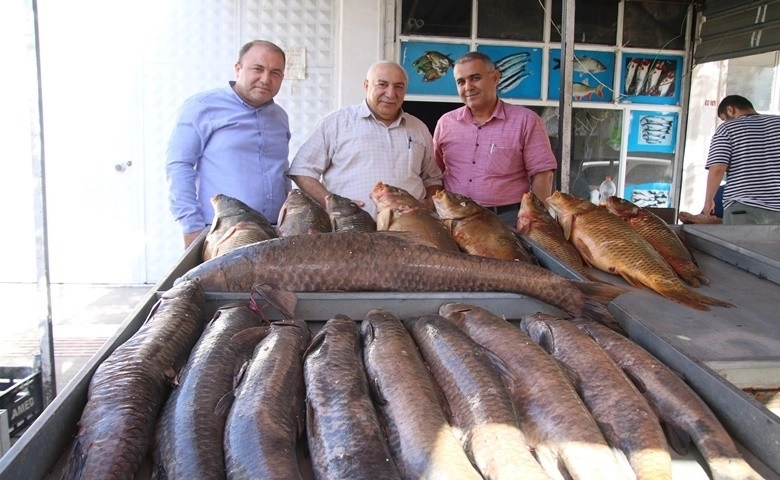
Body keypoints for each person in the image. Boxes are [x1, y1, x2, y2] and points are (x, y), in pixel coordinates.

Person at [166, 40, 291, 248]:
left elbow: (281, 171)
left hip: (274, 233)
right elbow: (179, 166)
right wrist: (191, 227)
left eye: (275, 73)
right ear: (238, 69)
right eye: (257, 69)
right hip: (225, 234)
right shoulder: (202, 107)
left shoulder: (280, 117)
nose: (265, 79)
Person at [288, 60, 442, 219]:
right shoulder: (336, 123)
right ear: (366, 85)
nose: (390, 93)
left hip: (410, 230)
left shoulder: (419, 128)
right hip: (351, 229)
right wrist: (330, 202)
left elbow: (432, 179)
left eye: (398, 86)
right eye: (382, 84)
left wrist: (428, 204)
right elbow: (302, 170)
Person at [433, 51, 557, 227]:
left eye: (475, 78)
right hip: (455, 219)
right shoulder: (446, 123)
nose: (468, 87)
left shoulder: (525, 121)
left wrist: (535, 222)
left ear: (495, 77)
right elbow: (435, 173)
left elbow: (543, 175)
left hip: (506, 221)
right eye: (461, 82)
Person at [701, 95, 780, 225]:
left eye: (724, 118)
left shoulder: (727, 128)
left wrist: (709, 200)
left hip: (743, 208)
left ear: (731, 110)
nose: (725, 122)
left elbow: (718, 168)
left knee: (739, 245)